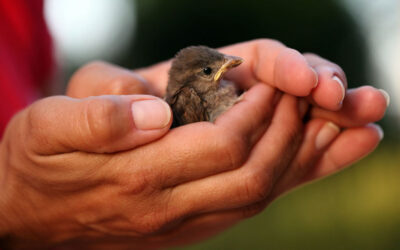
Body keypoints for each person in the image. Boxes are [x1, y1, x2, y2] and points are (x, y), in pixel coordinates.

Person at [0, 0, 388, 249]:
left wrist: (69, 221)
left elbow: (43, 99)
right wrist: (14, 209)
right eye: (210, 70)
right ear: (191, 82)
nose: (226, 69)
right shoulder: (188, 99)